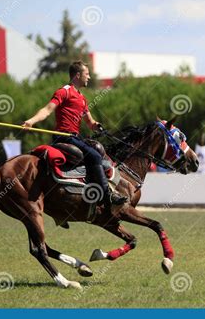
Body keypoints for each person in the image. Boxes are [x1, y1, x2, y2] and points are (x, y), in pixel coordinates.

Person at [22, 61, 127, 211]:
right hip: (63, 137)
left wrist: (96, 125)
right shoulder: (64, 92)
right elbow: (47, 110)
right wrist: (31, 121)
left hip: (75, 137)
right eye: (87, 74)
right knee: (95, 157)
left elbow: (90, 122)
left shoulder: (82, 99)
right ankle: (107, 195)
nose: (89, 77)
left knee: (98, 152)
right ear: (77, 75)